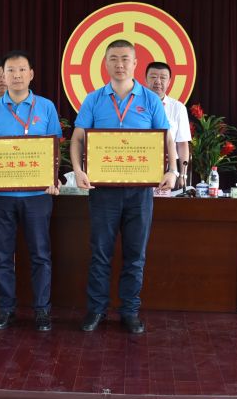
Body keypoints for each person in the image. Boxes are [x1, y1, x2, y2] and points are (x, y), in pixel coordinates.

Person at [70, 40, 177, 334]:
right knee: (100, 253)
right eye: (114, 59)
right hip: (103, 190)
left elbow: (166, 138)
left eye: (125, 59)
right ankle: (96, 310)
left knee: (135, 255)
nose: (120, 64)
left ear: (135, 63)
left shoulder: (150, 99)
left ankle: (130, 311)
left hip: (139, 192)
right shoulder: (93, 99)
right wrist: (78, 169)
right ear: (105, 63)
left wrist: (172, 170)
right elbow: (78, 137)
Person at [0, 51, 61, 332]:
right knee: (2, 256)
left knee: (40, 255)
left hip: (37, 196)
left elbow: (54, 149)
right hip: (0, 196)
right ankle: (6, 310)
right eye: (11, 70)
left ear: (31, 74)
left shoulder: (46, 107)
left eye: (22, 70)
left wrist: (53, 178)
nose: (17, 75)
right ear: (3, 76)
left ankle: (42, 310)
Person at [144, 62, 191, 187]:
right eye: (153, 77)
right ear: (145, 79)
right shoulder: (134, 106)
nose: (158, 81)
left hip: (169, 167)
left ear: (169, 81)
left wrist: (182, 175)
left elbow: (182, 144)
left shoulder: (178, 108)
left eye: (163, 78)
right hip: (141, 163)